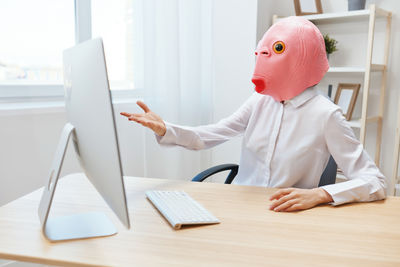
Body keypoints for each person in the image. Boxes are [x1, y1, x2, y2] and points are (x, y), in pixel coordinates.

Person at [121, 16, 386, 212]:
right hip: (240, 206)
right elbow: (212, 134)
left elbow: (374, 181)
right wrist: (166, 128)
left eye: (277, 49)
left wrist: (320, 194)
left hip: (286, 215)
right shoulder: (260, 100)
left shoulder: (326, 115)